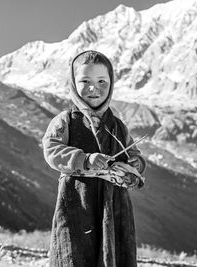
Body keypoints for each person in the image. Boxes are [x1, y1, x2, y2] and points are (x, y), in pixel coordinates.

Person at [42, 50, 147, 266]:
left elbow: (133, 154)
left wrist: (136, 165)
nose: (94, 88)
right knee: (75, 253)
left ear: (111, 83)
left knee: (116, 254)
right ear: (73, 82)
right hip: (77, 201)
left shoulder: (118, 125)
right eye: (85, 81)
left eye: (102, 81)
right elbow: (51, 150)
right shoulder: (66, 121)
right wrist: (84, 159)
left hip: (115, 203)